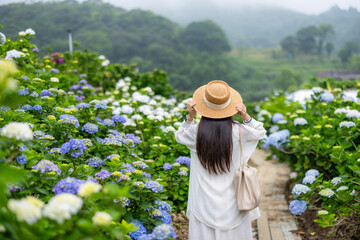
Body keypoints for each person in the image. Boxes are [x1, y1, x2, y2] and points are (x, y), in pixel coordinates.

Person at [175, 80, 266, 240]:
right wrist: (245, 116)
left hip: (203, 200)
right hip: (234, 199)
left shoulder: (196, 133)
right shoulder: (239, 131)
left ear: (204, 106)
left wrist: (190, 117)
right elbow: (259, 131)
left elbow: (180, 135)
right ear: (229, 106)